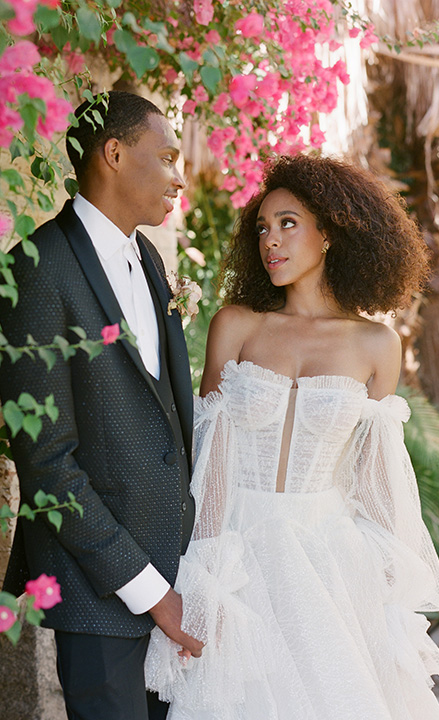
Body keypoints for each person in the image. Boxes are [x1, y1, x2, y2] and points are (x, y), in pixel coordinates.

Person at [145, 154, 439, 719]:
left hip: (332, 561)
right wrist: (206, 572)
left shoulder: (376, 345)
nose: (271, 241)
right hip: (239, 552)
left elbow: (377, 481)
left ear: (329, 233)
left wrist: (385, 584)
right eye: (262, 227)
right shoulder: (237, 325)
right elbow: (208, 464)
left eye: (288, 223)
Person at [0, 90, 203, 720]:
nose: (179, 174)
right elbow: (46, 466)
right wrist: (149, 592)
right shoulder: (34, 270)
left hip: (180, 573)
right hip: (100, 594)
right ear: (113, 153)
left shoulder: (147, 258)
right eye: (167, 156)